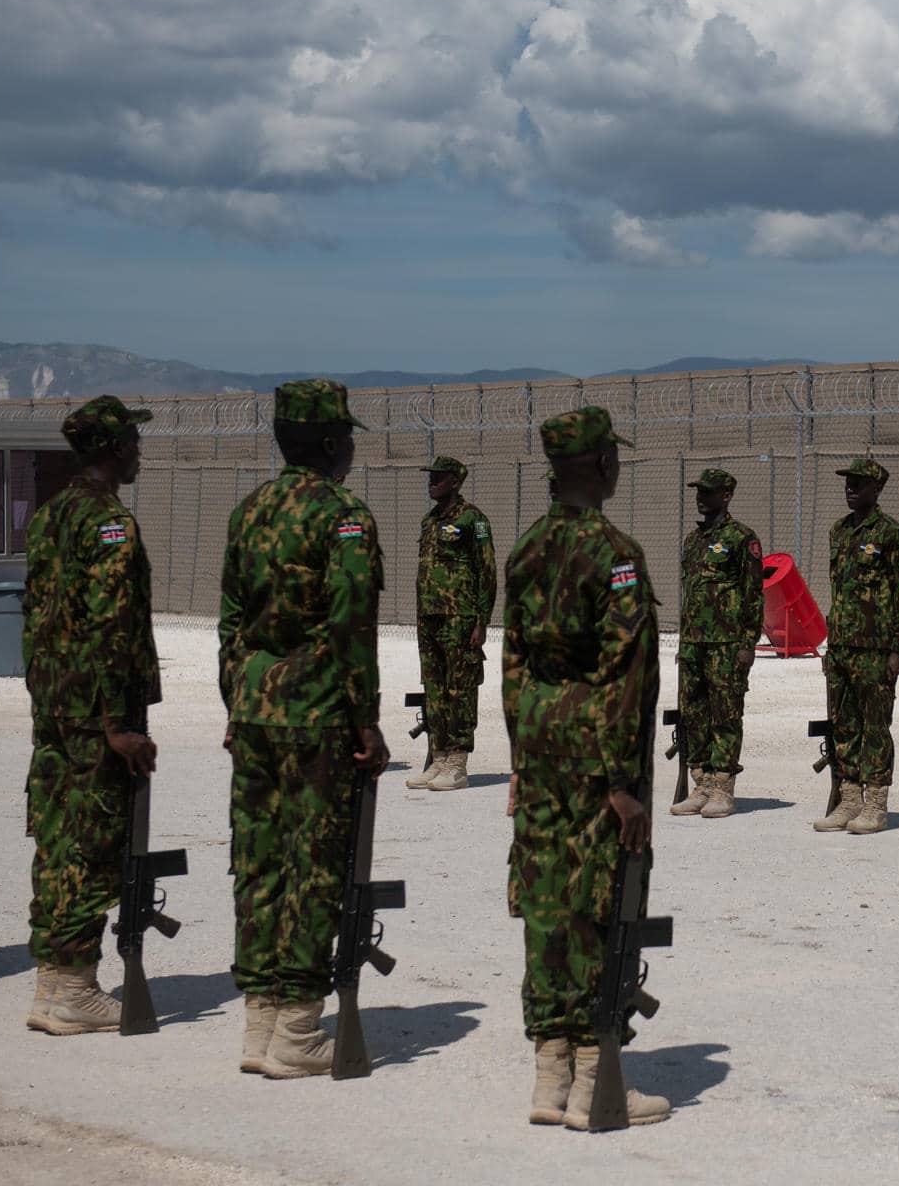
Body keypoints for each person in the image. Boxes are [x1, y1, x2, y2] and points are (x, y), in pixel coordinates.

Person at [504, 406, 670, 1128]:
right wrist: (620, 784)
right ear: (602, 466)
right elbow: (625, 676)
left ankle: (551, 1074)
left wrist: (520, 754)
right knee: (600, 903)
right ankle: (598, 1077)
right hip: (596, 760)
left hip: (542, 750)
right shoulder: (616, 554)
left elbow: (512, 664)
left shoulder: (528, 548)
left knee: (545, 902)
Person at [217, 379, 387, 1078]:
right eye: (344, 438)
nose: (350, 450)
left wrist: (238, 698)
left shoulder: (249, 510)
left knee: (260, 860)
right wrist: (366, 718)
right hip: (316, 710)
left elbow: (230, 620)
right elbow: (350, 624)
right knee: (316, 864)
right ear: (327, 444)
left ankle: (260, 1018)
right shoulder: (342, 515)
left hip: (256, 707)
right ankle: (296, 1027)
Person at [21, 395, 160, 1033]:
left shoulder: (51, 515)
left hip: (55, 702)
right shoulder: (108, 521)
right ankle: (76, 988)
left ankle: (53, 979)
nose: (138, 449)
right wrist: (117, 723)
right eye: (132, 440)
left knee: (56, 836)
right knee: (93, 842)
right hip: (95, 711)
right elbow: (110, 625)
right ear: (113, 448)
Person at [814, 458, 899, 835]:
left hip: (875, 649)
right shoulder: (839, 531)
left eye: (859, 482)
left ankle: (875, 804)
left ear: (878, 489)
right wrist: (831, 644)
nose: (850, 488)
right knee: (843, 725)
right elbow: (838, 590)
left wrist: (896, 648)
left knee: (875, 727)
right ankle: (849, 798)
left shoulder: (890, 534)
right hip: (842, 646)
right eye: (848, 482)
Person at [671, 467, 764, 819]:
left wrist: (747, 642)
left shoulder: (742, 538)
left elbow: (753, 594)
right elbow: (690, 594)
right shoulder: (692, 540)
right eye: (698, 490)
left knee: (725, 713)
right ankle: (702, 782)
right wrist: (684, 641)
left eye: (707, 492)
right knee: (694, 712)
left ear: (725, 496)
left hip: (727, 643)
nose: (700, 496)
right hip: (694, 642)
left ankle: (723, 786)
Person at [408, 456, 496, 792]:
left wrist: (481, 621)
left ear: (455, 482)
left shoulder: (473, 519)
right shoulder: (429, 520)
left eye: (438, 478)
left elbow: (486, 573)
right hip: (428, 617)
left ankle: (458, 762)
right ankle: (439, 756)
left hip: (459, 617)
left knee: (459, 688)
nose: (432, 483)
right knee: (435, 689)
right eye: (431, 477)